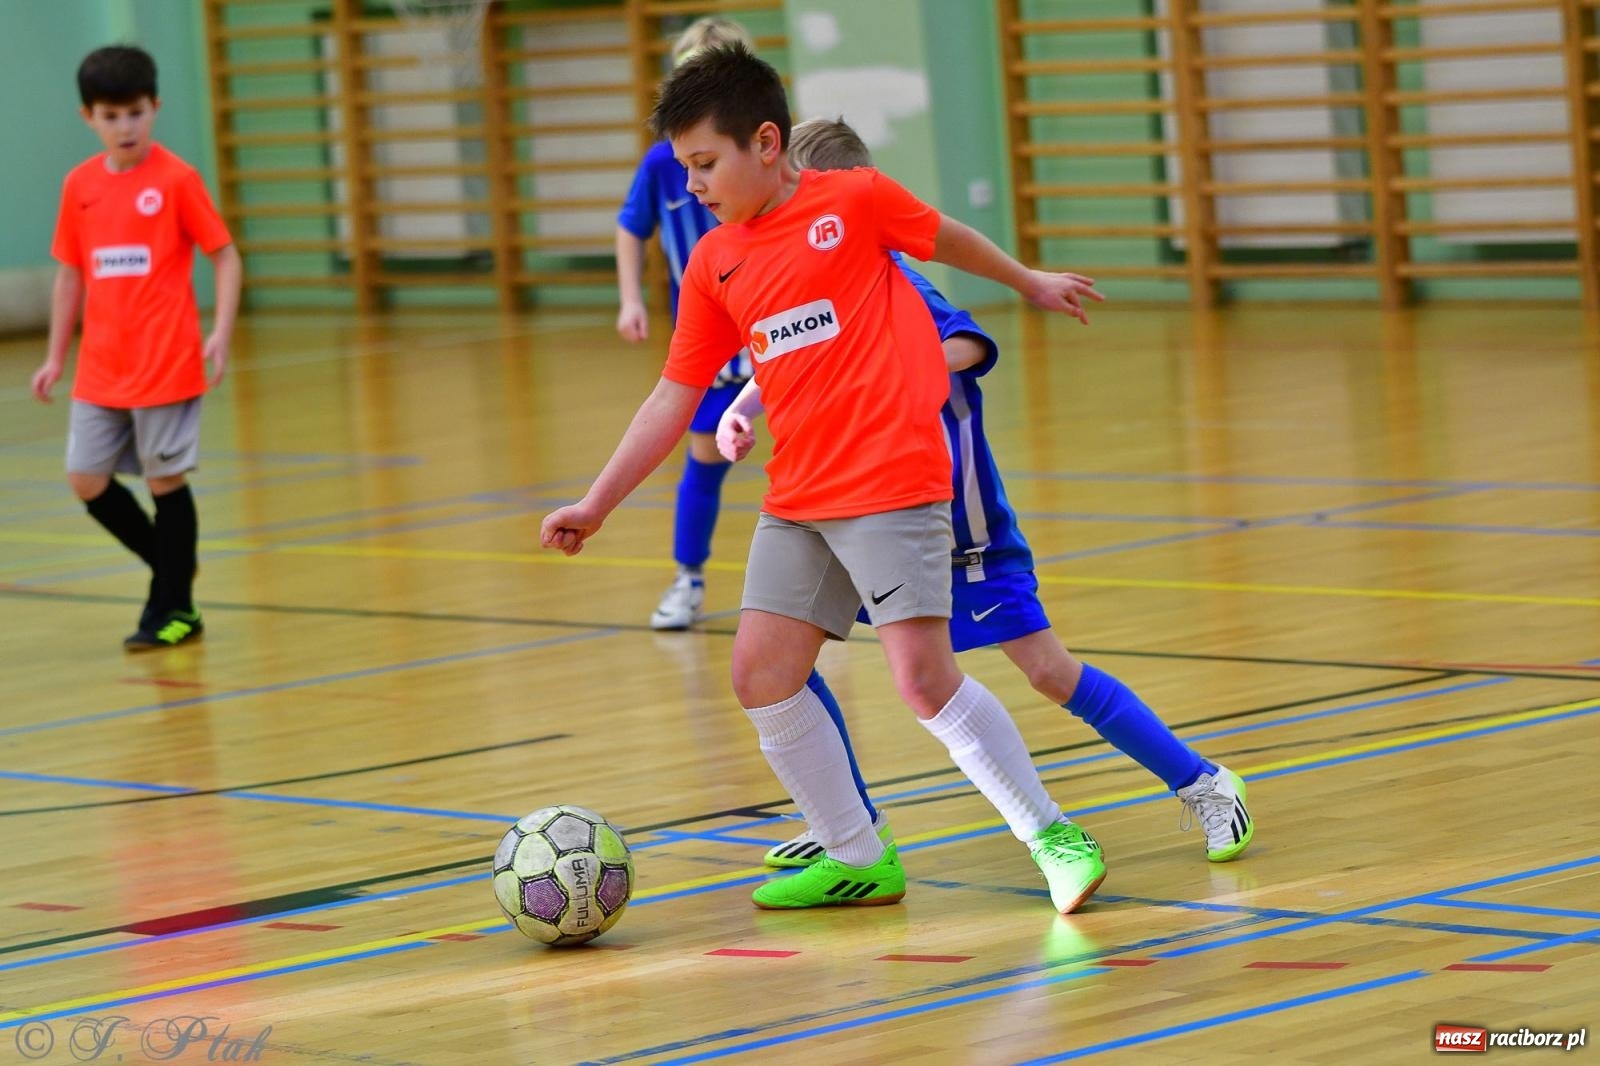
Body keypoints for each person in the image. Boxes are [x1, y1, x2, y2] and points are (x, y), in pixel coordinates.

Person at [542, 44, 1108, 914]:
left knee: (922, 679)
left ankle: (1054, 836)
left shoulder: (853, 201)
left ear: (766, 143)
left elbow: (945, 236)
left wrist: (1026, 279)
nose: (691, 185)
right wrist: (597, 502)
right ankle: (856, 855)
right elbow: (673, 394)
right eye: (683, 167)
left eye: (705, 163)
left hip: (891, 481)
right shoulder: (714, 263)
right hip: (799, 497)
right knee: (760, 671)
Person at [724, 118, 1255, 873]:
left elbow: (969, 342)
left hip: (956, 524)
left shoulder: (899, 281)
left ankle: (1203, 782)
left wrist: (893, 370)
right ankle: (846, 822)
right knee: (784, 660)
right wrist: (744, 409)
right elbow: (789, 358)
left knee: (1048, 671)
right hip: (858, 513)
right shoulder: (818, 289)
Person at [29, 44, 241, 651]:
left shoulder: (176, 180)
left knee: (164, 480)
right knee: (85, 480)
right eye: (111, 116)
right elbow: (71, 273)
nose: (126, 127)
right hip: (101, 367)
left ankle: (174, 609)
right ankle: (171, 568)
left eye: (136, 113)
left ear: (155, 108)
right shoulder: (80, 186)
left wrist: (220, 331)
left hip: (165, 363)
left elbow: (225, 255)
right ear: (88, 117)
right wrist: (55, 356)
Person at [615, 16, 750, 631]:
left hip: (779, 326)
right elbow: (630, 228)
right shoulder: (662, 163)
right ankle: (688, 578)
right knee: (704, 457)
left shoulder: (763, 151)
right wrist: (631, 299)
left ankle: (834, 588)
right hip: (713, 342)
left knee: (811, 453)